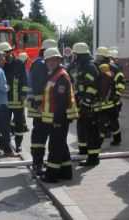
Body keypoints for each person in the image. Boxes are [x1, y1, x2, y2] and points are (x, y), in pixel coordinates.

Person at [39, 48, 78, 183]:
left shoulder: (60, 76)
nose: (50, 62)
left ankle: (51, 175)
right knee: (61, 145)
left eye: (53, 60)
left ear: (59, 60)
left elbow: (61, 102)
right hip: (55, 118)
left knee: (55, 147)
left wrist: (57, 120)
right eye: (48, 60)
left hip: (58, 119)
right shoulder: (54, 74)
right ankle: (66, 172)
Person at [28, 39, 58, 175]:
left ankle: (38, 162)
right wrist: (40, 104)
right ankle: (37, 164)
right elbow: (39, 86)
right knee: (40, 135)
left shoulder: (37, 62)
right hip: (40, 106)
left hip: (39, 105)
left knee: (39, 133)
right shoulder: (41, 64)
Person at [68, 42, 101, 166]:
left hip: (90, 106)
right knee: (82, 128)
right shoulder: (81, 66)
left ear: (80, 55)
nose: (73, 57)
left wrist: (86, 102)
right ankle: (84, 150)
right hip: (83, 104)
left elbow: (93, 87)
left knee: (91, 132)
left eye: (75, 55)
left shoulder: (90, 67)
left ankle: (93, 158)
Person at [0, 42, 29, 153]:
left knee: (19, 124)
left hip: (18, 100)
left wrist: (24, 94)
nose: (5, 57)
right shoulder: (1, 65)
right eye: (2, 55)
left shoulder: (20, 63)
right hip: (4, 100)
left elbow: (25, 80)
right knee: (4, 123)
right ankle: (2, 144)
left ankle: (18, 144)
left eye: (6, 54)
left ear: (10, 52)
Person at [94, 47, 126, 147]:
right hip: (102, 102)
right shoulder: (95, 67)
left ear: (104, 56)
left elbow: (121, 81)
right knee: (105, 122)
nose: (97, 57)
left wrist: (118, 95)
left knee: (111, 122)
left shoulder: (112, 68)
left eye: (99, 56)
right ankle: (115, 140)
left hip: (111, 102)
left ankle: (112, 140)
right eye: (97, 56)